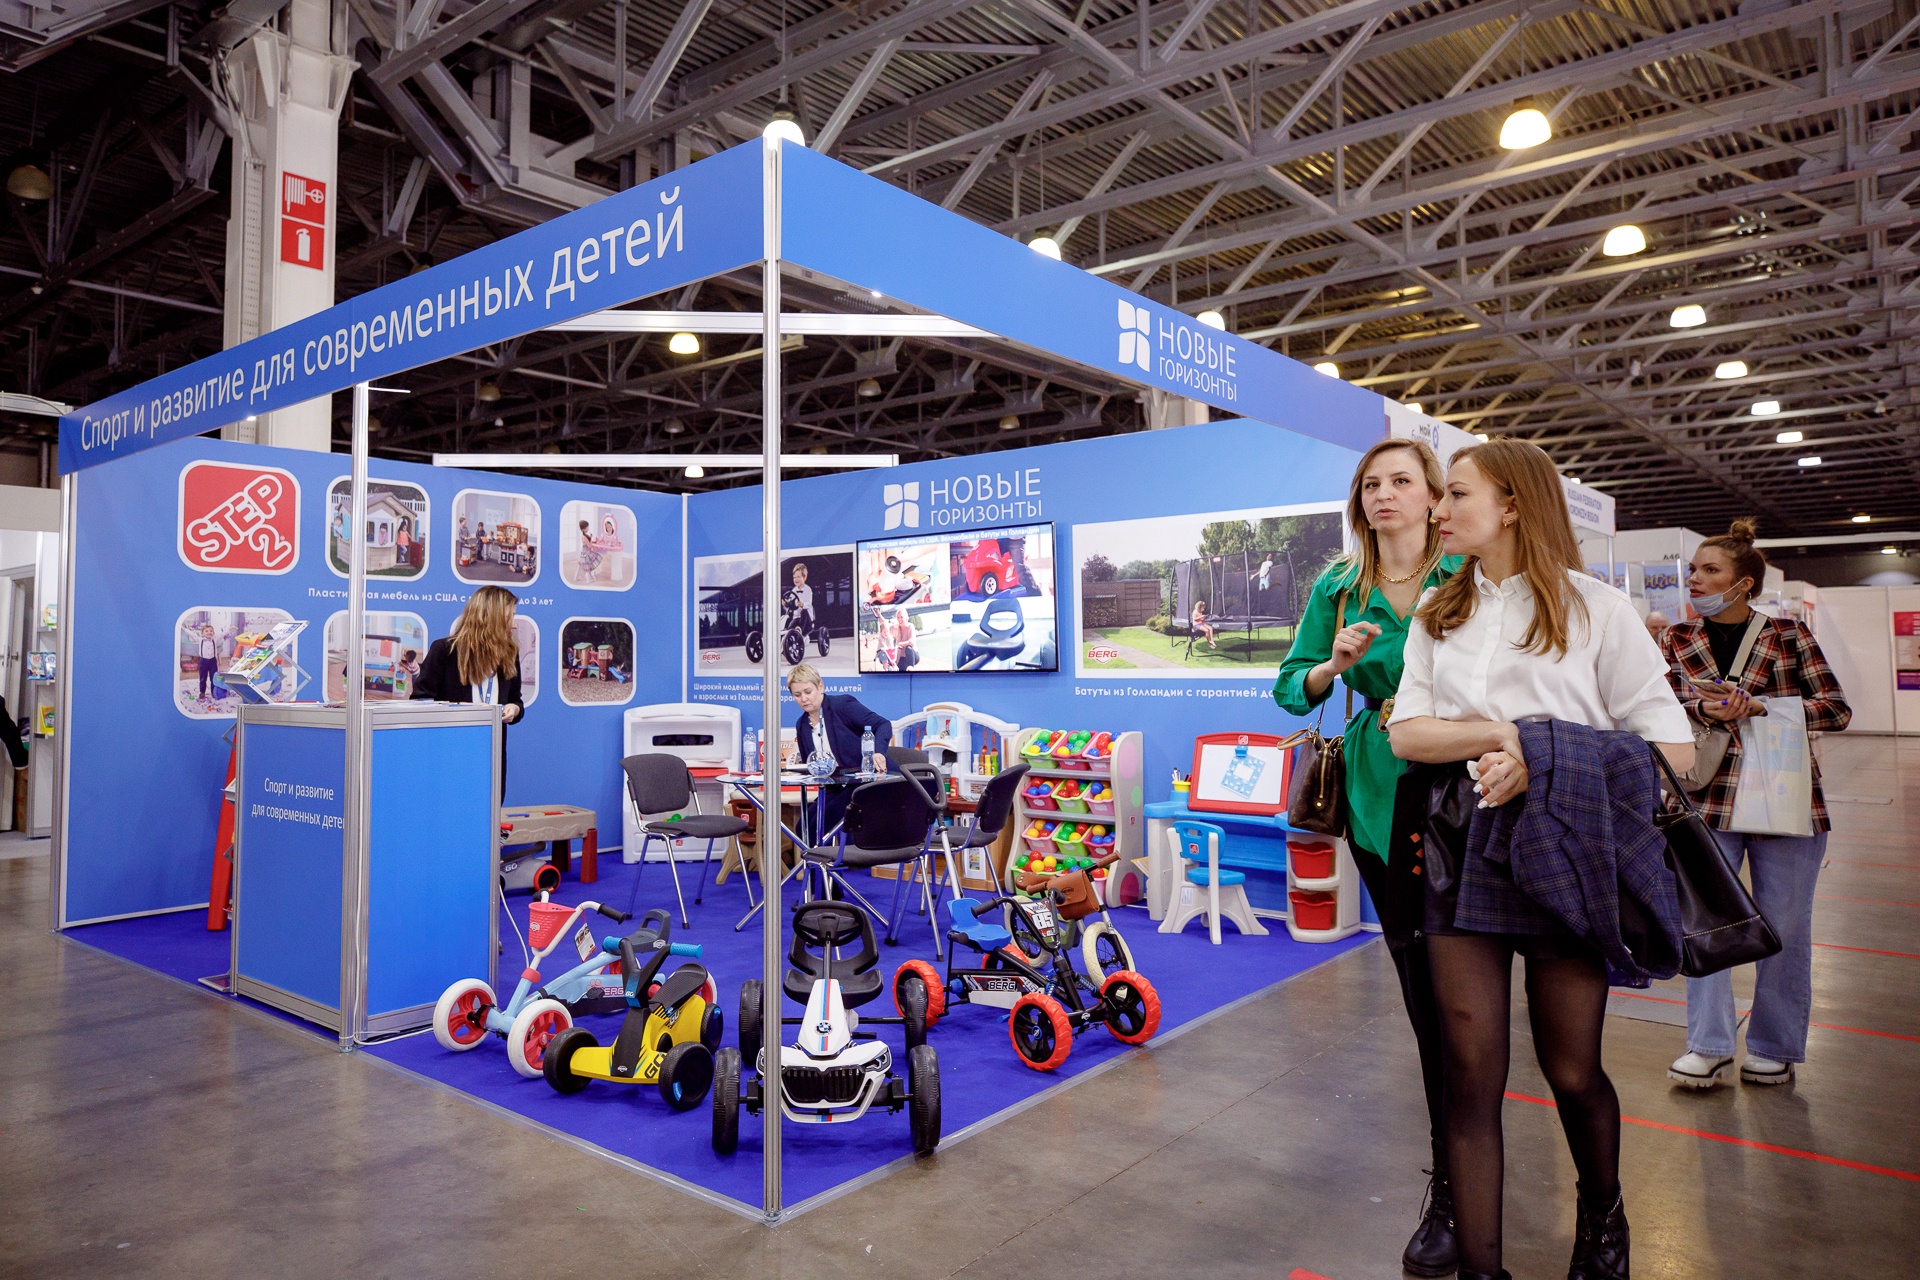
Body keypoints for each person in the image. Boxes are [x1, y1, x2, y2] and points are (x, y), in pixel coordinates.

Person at [1388, 440, 1694, 1280]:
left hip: (1571, 843)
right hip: (1460, 843)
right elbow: (1407, 732)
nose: (1438, 510)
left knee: (1572, 1068)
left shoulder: (1598, 610)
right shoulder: (1437, 611)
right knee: (1470, 1073)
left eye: (1455, 494)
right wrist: (1509, 736)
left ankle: (1604, 1220)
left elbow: (1675, 751)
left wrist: (1547, 759)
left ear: (1514, 504)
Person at [1273, 437, 1462, 1278]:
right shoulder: (1338, 586)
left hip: (1473, 786)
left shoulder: (1470, 572)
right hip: (1382, 799)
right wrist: (1333, 666)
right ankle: (1450, 1187)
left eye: (1401, 481)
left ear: (1432, 495)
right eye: (1371, 484)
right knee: (1427, 999)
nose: (1384, 494)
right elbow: (1290, 687)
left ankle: (1473, 1170)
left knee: (1472, 999)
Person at [1662, 519, 1851, 1090]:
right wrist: (1701, 709)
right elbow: (1657, 706)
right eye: (1693, 569)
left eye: (1710, 570)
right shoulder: (1676, 638)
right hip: (1705, 800)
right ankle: (1708, 1044)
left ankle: (1774, 1044)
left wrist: (1763, 706)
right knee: (1705, 923)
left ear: (1743, 584)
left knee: (1786, 926)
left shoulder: (1789, 635)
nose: (1695, 579)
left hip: (1785, 799)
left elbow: (1835, 709)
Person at [411, 586, 524, 797]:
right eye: (510, 617)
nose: (514, 625)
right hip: (450, 755)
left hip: (492, 754)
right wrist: (461, 709)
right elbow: (420, 701)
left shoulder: (510, 654)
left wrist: (514, 709)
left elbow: (516, 700)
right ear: (490, 618)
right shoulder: (444, 651)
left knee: (490, 808)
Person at [788, 663, 889, 837]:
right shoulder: (802, 725)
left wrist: (879, 751)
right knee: (803, 827)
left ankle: (832, 855)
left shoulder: (842, 705)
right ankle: (818, 856)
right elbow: (810, 765)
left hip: (863, 784)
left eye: (808, 692)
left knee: (821, 822)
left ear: (820, 687)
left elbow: (882, 725)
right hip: (835, 787)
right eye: (797, 695)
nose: (804, 699)